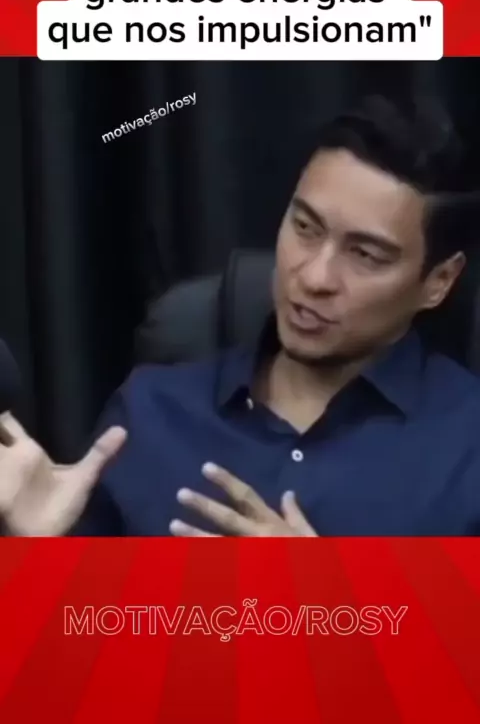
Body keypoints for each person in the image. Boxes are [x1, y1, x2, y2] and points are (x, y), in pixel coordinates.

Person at [2, 94, 480, 537]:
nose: (314, 276)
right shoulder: (148, 413)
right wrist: (38, 551)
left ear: (438, 281)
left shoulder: (466, 447)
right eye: (305, 227)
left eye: (365, 255)